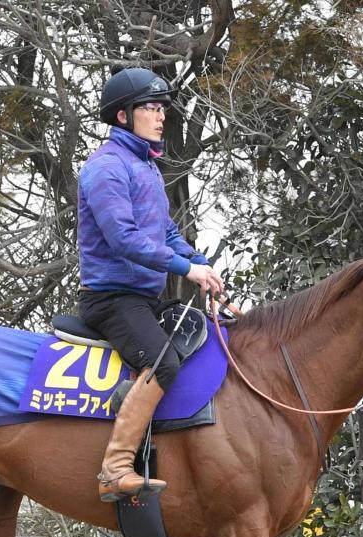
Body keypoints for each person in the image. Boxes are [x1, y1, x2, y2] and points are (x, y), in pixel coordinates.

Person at [78, 67, 224, 502]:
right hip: (110, 300)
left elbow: (167, 233)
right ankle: (114, 469)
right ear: (123, 116)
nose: (161, 116)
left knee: (198, 341)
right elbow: (124, 239)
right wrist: (184, 270)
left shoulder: (147, 168)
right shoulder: (105, 168)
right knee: (163, 363)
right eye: (150, 107)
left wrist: (201, 263)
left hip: (143, 298)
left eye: (162, 108)